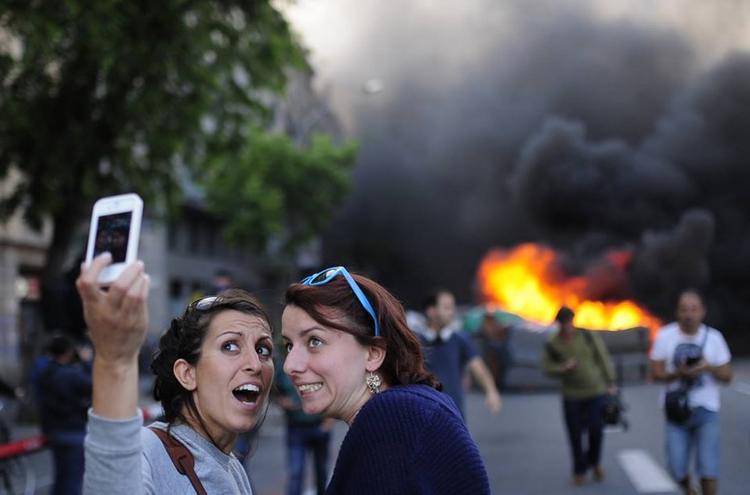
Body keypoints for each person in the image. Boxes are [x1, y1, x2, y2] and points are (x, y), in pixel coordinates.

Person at [282, 266, 491, 494]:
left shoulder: (393, 416)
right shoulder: (410, 406)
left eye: (314, 341)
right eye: (289, 346)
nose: (290, 365)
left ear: (373, 353)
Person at [77, 253, 274, 494]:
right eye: (230, 346)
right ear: (187, 373)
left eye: (263, 349)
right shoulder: (145, 453)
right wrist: (115, 360)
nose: (255, 364)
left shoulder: (234, 469)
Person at [649, 289, 732, 495]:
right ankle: (688, 489)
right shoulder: (665, 336)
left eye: (693, 309)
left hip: (706, 410)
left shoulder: (714, 338)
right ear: (677, 312)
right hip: (675, 410)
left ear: (702, 312)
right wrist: (679, 373)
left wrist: (707, 368)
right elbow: (656, 374)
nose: (689, 315)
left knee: (708, 468)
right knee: (676, 468)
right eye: (684, 310)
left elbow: (727, 376)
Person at [543, 306, 617, 486]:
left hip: (595, 391)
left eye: (570, 321)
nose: (568, 326)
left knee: (596, 430)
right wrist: (562, 368)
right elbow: (547, 368)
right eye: (564, 322)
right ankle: (579, 470)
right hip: (571, 394)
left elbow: (602, 357)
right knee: (575, 434)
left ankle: (594, 461)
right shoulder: (553, 343)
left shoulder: (587, 336)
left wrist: (610, 381)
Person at [412, 290, 502, 417]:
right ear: (431, 311)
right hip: (422, 413)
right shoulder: (415, 341)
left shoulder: (460, 339)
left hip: (454, 413)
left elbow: (478, 367)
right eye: (447, 307)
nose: (452, 312)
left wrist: (491, 391)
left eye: (452, 307)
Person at [33, 333, 92, 495]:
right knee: (73, 480)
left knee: (61, 478)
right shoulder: (71, 375)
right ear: (69, 352)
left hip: (53, 431)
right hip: (73, 431)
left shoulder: (43, 372)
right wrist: (86, 362)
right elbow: (94, 385)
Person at [275, 365, 332, 495]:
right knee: (296, 472)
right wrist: (281, 401)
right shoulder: (285, 368)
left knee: (321, 471)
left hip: (319, 425)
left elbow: (330, 387)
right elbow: (275, 391)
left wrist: (329, 421)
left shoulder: (315, 364)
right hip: (296, 427)